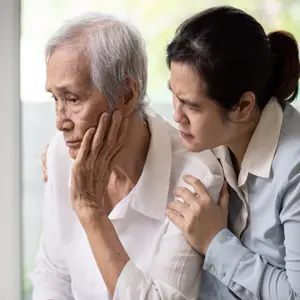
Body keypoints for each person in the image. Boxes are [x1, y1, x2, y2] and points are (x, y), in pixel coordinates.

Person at [32, 12, 225, 300]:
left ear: (126, 94)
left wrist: (90, 212)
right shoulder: (61, 153)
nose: (60, 121)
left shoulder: (196, 178)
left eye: (72, 99)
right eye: (55, 99)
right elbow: (53, 274)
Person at [166, 6, 300, 300]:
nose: (177, 116)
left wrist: (215, 242)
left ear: (243, 106)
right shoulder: (209, 134)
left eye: (191, 105)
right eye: (173, 96)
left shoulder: (294, 167)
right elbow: (150, 133)